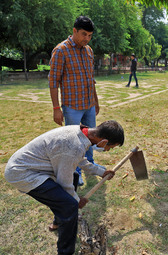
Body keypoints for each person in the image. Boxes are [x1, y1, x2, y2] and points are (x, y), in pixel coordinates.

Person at [4, 120, 125, 254]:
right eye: (110, 147)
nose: (108, 150)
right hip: (22, 173)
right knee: (69, 206)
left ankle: (57, 221)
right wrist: (76, 201)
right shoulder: (73, 146)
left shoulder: (81, 133)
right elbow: (64, 182)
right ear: (103, 141)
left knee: (73, 179)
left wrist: (101, 172)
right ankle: (65, 252)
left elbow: (79, 159)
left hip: (33, 167)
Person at [48, 16, 100, 186]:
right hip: (72, 107)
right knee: (73, 141)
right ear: (74, 31)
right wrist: (56, 108)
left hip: (89, 105)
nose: (87, 39)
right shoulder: (61, 50)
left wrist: (96, 101)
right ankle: (75, 172)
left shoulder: (89, 51)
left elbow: (90, 79)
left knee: (91, 137)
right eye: (84, 34)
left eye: (90, 35)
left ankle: (89, 166)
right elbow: (53, 81)